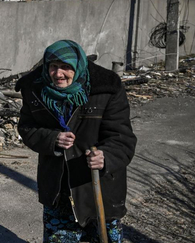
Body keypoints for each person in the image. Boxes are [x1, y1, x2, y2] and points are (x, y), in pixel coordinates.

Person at [15, 40, 137, 243]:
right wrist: (52, 139)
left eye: (65, 67)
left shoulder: (106, 89)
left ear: (78, 66)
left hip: (99, 185)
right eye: (53, 67)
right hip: (58, 187)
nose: (58, 74)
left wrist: (105, 157)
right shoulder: (35, 89)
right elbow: (27, 128)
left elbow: (122, 138)